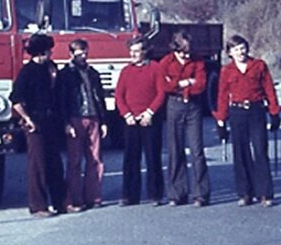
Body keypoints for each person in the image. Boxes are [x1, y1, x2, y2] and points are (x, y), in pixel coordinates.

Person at [214, 34, 281, 207]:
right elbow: (222, 95)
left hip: (256, 111)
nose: (240, 52)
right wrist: (221, 120)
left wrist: (274, 112)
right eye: (236, 49)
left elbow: (269, 89)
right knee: (241, 152)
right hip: (237, 112)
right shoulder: (226, 71)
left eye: (242, 48)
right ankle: (245, 193)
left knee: (260, 150)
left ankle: (265, 193)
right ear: (229, 52)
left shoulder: (258, 65)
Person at [10, 33, 66, 217]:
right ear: (40, 52)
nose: (50, 53)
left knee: (55, 163)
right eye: (48, 50)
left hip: (51, 120)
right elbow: (16, 99)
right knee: (38, 165)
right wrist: (27, 119)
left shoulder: (51, 68)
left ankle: (61, 202)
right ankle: (38, 206)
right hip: (35, 121)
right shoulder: (27, 72)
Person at [159, 30, 210, 206]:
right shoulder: (165, 62)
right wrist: (185, 82)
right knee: (175, 150)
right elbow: (164, 86)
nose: (186, 54)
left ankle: (201, 193)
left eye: (188, 50)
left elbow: (201, 85)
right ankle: (177, 194)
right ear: (175, 48)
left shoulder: (198, 61)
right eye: (182, 51)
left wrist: (182, 86)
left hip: (193, 106)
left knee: (197, 151)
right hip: (174, 106)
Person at [114, 35, 166, 206]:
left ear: (145, 52)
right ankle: (130, 195)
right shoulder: (125, 71)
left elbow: (161, 93)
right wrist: (127, 115)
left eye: (137, 51)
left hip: (150, 120)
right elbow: (119, 96)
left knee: (153, 157)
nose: (133, 54)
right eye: (131, 51)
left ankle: (155, 194)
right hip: (130, 121)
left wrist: (149, 113)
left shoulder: (155, 68)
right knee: (130, 158)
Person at [57, 38, 108, 211]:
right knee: (75, 160)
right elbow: (62, 100)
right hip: (74, 117)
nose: (83, 57)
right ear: (71, 54)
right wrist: (65, 123)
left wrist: (103, 121)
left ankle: (93, 196)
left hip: (93, 117)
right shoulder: (65, 74)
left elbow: (99, 97)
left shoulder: (93, 73)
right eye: (79, 54)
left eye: (85, 53)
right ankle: (75, 198)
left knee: (95, 159)